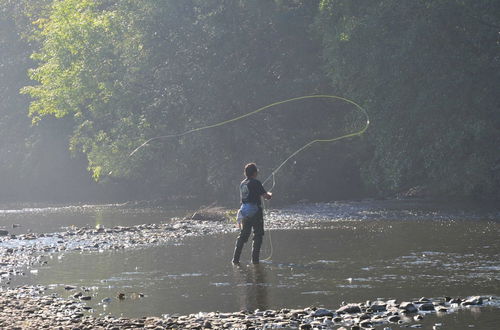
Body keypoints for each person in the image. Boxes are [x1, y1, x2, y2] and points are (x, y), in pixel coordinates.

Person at [232, 163, 272, 265]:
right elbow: (266, 196)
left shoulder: (242, 184)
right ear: (254, 173)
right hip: (255, 211)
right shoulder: (256, 182)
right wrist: (270, 194)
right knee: (258, 235)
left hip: (244, 211)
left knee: (243, 236)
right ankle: (255, 261)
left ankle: (235, 260)